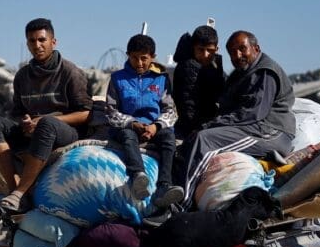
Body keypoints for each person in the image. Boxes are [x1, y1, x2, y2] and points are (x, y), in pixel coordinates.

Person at [0, 18, 92, 214]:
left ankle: (21, 192)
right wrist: (25, 121)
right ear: (27, 44)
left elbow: (85, 113)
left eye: (42, 40)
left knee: (47, 123)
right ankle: (13, 190)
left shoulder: (70, 72)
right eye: (32, 41)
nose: (37, 45)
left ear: (53, 42)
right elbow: (17, 112)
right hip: (32, 131)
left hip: (65, 132)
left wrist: (45, 121)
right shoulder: (22, 76)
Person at [176, 30, 297, 199]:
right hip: (253, 128)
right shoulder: (240, 74)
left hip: (270, 131)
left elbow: (251, 113)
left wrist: (209, 126)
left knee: (204, 140)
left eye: (242, 49)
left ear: (256, 48)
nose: (237, 55)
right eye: (232, 52)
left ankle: (182, 201)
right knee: (192, 140)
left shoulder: (263, 71)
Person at [105, 34, 185, 209]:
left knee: (169, 139)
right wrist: (132, 123)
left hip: (154, 126)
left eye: (144, 58)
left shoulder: (161, 78)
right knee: (128, 136)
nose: (139, 63)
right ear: (128, 55)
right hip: (128, 126)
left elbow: (170, 110)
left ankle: (164, 185)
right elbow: (111, 111)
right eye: (134, 58)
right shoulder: (117, 78)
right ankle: (138, 176)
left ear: (152, 57)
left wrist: (156, 127)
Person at [171, 24, 226, 139]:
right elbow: (188, 104)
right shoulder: (188, 66)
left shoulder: (214, 66)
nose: (205, 55)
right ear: (193, 48)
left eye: (210, 50)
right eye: (201, 49)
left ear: (217, 49)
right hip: (191, 128)